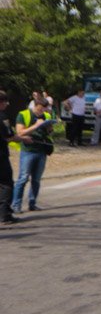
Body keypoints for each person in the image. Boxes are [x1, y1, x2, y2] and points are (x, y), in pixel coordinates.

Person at [12, 94, 55, 214]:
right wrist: (36, 125)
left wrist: (49, 128)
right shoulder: (23, 114)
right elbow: (20, 132)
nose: (43, 111)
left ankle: (32, 203)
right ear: (35, 106)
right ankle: (16, 205)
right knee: (23, 178)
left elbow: (49, 132)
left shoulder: (46, 115)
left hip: (42, 150)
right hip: (28, 151)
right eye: (41, 108)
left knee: (36, 179)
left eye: (45, 109)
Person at [0, 91, 16, 225]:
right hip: (1, 156)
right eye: (5, 102)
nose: (7, 104)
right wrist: (23, 139)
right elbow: (9, 135)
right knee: (6, 183)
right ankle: (5, 214)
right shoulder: (2, 117)